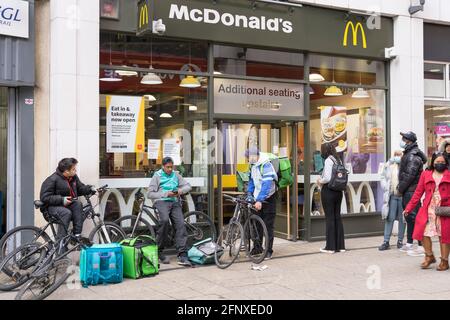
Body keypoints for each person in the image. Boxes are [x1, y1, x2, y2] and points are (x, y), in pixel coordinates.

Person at [404, 152, 450, 271]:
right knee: (423, 232)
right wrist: (408, 208)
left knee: (443, 235)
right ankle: (429, 256)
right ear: (432, 162)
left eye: (442, 162)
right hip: (429, 209)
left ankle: (444, 261)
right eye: (437, 162)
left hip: (445, 209)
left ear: (446, 163)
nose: (440, 164)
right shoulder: (426, 174)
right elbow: (418, 193)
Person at [147, 157, 192, 266]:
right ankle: (158, 250)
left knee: (181, 224)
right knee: (165, 221)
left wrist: (179, 191)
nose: (170, 169)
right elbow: (150, 194)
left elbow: (188, 186)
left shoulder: (176, 175)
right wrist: (166, 194)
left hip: (174, 201)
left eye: (171, 167)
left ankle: (182, 255)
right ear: (162, 167)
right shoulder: (157, 176)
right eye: (167, 167)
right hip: (161, 201)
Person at [40, 158, 95, 241]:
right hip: (50, 208)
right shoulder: (52, 179)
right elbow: (44, 197)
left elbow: (80, 188)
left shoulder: (73, 177)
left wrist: (90, 189)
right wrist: (61, 200)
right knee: (66, 213)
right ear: (66, 171)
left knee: (77, 204)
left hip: (64, 205)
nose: (75, 170)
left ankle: (77, 235)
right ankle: (60, 242)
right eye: (73, 169)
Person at [397, 131, 428, 257]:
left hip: (410, 190)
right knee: (410, 218)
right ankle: (410, 243)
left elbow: (409, 175)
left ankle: (421, 245)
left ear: (409, 141)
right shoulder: (409, 153)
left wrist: (400, 189)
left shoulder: (412, 156)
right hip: (409, 190)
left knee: (414, 217)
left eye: (404, 139)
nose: (402, 141)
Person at [246, 146, 278, 260]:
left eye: (248, 157)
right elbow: (251, 181)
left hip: (269, 198)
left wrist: (260, 200)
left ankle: (268, 250)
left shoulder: (266, 164)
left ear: (255, 156)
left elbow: (267, 184)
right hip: (257, 197)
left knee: (268, 225)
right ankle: (257, 248)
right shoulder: (253, 165)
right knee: (256, 224)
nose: (247, 160)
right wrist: (250, 194)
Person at [316, 143, 345, 253]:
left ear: (325, 151)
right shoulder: (338, 159)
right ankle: (340, 246)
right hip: (338, 191)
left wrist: (320, 180)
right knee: (337, 216)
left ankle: (330, 247)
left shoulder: (328, 160)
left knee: (330, 218)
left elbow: (327, 178)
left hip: (329, 191)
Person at [379, 150, 406, 251]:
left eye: (399, 155)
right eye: (396, 155)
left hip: (403, 196)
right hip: (392, 196)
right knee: (389, 218)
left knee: (402, 220)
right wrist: (386, 187)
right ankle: (386, 242)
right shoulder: (389, 166)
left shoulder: (405, 166)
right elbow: (382, 176)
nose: (397, 157)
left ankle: (400, 241)